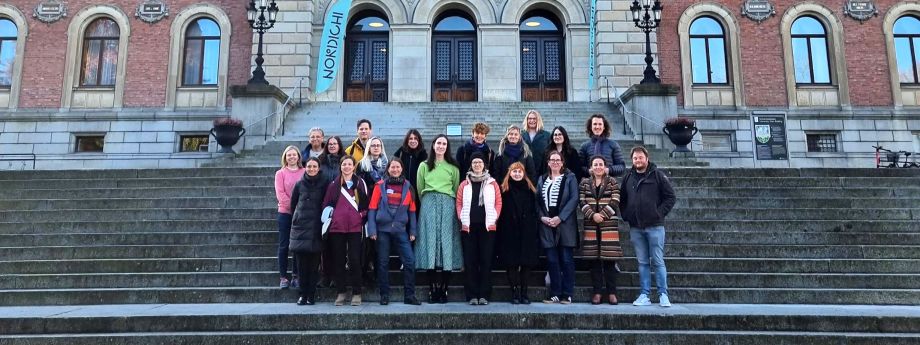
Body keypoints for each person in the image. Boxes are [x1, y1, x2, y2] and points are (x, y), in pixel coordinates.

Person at [620, 146, 676, 308]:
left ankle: (663, 294)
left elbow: (670, 197)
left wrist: (659, 213)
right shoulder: (628, 177)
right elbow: (622, 199)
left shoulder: (657, 175)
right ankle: (645, 294)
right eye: (635, 158)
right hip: (636, 227)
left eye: (640, 157)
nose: (638, 160)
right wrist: (626, 215)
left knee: (658, 261)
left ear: (647, 158)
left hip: (655, 226)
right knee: (642, 262)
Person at [366, 158, 422, 305]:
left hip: (401, 230)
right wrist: (372, 229)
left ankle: (409, 295)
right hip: (382, 231)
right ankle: (384, 295)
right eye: (392, 167)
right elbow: (372, 209)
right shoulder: (379, 186)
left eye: (398, 167)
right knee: (383, 263)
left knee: (409, 261)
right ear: (388, 169)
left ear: (402, 169)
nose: (395, 169)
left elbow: (412, 211)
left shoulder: (408, 187)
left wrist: (413, 231)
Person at [415, 135, 462, 303]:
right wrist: (429, 202)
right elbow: (420, 186)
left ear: (447, 147)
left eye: (444, 144)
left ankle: (445, 289)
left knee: (446, 243)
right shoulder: (424, 166)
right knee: (431, 243)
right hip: (428, 204)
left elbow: (456, 188)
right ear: (433, 145)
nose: (441, 146)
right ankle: (432, 288)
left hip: (448, 204)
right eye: (438, 143)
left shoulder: (453, 167)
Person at [322, 156, 370, 306]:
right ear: (340, 166)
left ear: (354, 166)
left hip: (355, 228)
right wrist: (334, 215)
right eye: (344, 164)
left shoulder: (360, 183)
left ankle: (357, 292)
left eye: (350, 164)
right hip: (337, 228)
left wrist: (360, 216)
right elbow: (326, 204)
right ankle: (341, 292)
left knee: (355, 260)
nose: (347, 167)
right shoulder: (333, 185)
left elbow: (365, 205)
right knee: (339, 260)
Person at [456, 153, 502, 305]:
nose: (477, 164)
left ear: (484, 165)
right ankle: (472, 295)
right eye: (474, 162)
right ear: (471, 165)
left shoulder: (492, 183)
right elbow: (459, 203)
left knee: (486, 261)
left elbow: (498, 202)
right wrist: (462, 218)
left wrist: (494, 217)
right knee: (470, 261)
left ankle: (484, 294)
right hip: (469, 228)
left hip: (487, 228)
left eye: (480, 162)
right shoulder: (464, 183)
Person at [578, 155, 623, 305]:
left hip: (608, 225)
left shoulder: (612, 182)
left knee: (609, 261)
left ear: (605, 167)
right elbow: (582, 201)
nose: (598, 167)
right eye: (595, 164)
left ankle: (612, 293)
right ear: (591, 167)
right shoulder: (584, 182)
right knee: (594, 261)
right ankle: (597, 292)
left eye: (600, 164)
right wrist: (592, 215)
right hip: (591, 225)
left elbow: (615, 200)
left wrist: (602, 215)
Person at [536, 150, 579, 304]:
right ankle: (555, 292)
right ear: (548, 162)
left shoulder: (570, 178)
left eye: (557, 160)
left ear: (562, 162)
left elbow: (574, 199)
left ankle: (567, 293)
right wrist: (542, 217)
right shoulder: (541, 179)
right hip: (547, 223)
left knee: (567, 259)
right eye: (552, 160)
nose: (555, 162)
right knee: (552, 260)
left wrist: (560, 218)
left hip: (565, 223)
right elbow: (538, 201)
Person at [496, 161, 539, 304]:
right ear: (510, 173)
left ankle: (524, 292)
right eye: (514, 171)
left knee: (526, 263)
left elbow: (535, 209)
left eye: (519, 171)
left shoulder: (530, 189)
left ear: (524, 173)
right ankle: (514, 292)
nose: (517, 174)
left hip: (527, 231)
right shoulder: (504, 189)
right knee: (511, 263)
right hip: (509, 231)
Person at [289, 157, 330, 305]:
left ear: (319, 168)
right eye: (309, 166)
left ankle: (311, 295)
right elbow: (293, 206)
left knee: (314, 266)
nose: (311, 169)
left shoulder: (325, 184)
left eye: (314, 166)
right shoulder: (299, 184)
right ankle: (302, 294)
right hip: (301, 229)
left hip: (317, 229)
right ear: (305, 168)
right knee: (301, 266)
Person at [274, 145, 304, 289]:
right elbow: (281, 195)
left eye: (294, 155)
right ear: (285, 157)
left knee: (297, 246)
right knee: (284, 245)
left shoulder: (305, 172)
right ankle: (283, 277)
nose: (292, 157)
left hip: (302, 214)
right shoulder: (280, 173)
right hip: (285, 213)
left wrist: (300, 209)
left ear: (298, 157)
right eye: (289, 155)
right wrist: (294, 207)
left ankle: (296, 276)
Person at [316, 136, 344, 289]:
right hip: (324, 207)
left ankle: (335, 276)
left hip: (341, 208)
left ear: (340, 146)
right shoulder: (321, 163)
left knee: (337, 245)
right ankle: (325, 275)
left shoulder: (345, 162)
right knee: (325, 244)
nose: (333, 146)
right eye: (330, 144)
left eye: (335, 144)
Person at [393, 129, 428, 194]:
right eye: (410, 138)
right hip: (403, 188)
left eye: (415, 138)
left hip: (418, 190)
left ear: (419, 140)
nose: (413, 141)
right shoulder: (401, 151)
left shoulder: (423, 154)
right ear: (407, 140)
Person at [522, 110, 550, 176]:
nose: (532, 121)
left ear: (538, 120)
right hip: (525, 169)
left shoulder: (546, 135)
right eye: (530, 118)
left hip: (541, 169)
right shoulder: (521, 135)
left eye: (534, 118)